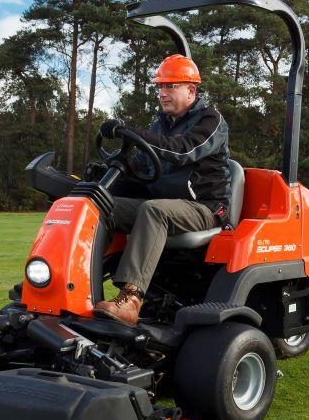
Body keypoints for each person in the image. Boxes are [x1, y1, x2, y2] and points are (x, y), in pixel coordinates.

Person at [92, 54, 230, 326]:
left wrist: (130, 131)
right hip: (164, 204)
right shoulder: (160, 124)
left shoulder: (211, 120)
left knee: (153, 210)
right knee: (100, 204)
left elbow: (183, 151)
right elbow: (143, 168)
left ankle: (130, 299)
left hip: (204, 207)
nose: (162, 93)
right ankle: (73, 283)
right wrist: (111, 170)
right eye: (160, 87)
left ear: (191, 90)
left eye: (170, 86)